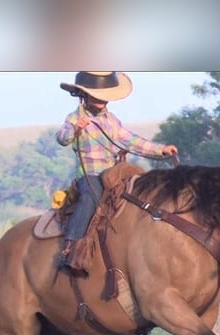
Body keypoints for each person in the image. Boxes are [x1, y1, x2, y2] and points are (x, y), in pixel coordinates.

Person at [55, 71, 178, 268]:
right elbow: (62, 138)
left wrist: (161, 150)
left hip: (113, 174)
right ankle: (71, 245)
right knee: (91, 197)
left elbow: (131, 140)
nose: (103, 99)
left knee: (142, 194)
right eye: (97, 94)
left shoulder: (111, 120)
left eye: (105, 95)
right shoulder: (74, 117)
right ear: (84, 94)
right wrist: (76, 128)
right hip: (90, 175)